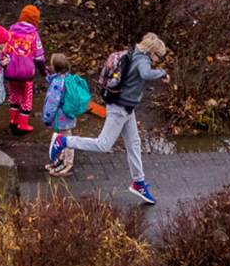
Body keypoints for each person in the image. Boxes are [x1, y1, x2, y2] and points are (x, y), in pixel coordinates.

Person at [55, 32, 170, 205]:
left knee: (134, 143)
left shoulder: (133, 53)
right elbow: (146, 74)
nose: (157, 61)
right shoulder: (143, 60)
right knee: (103, 144)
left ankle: (138, 182)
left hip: (125, 107)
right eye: (158, 58)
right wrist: (162, 73)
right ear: (152, 52)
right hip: (120, 108)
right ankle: (63, 141)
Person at [41, 52, 88, 176]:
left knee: (67, 140)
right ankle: (61, 159)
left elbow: (52, 103)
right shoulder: (68, 78)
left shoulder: (58, 83)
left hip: (61, 116)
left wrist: (47, 117)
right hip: (68, 114)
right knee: (61, 138)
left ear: (55, 68)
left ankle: (68, 164)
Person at [3, 4, 47, 135]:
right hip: (26, 73)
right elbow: (39, 57)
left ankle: (13, 120)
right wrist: (44, 72)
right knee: (26, 97)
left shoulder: (10, 31)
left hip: (10, 71)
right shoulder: (34, 35)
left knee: (14, 95)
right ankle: (23, 125)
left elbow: (4, 51)